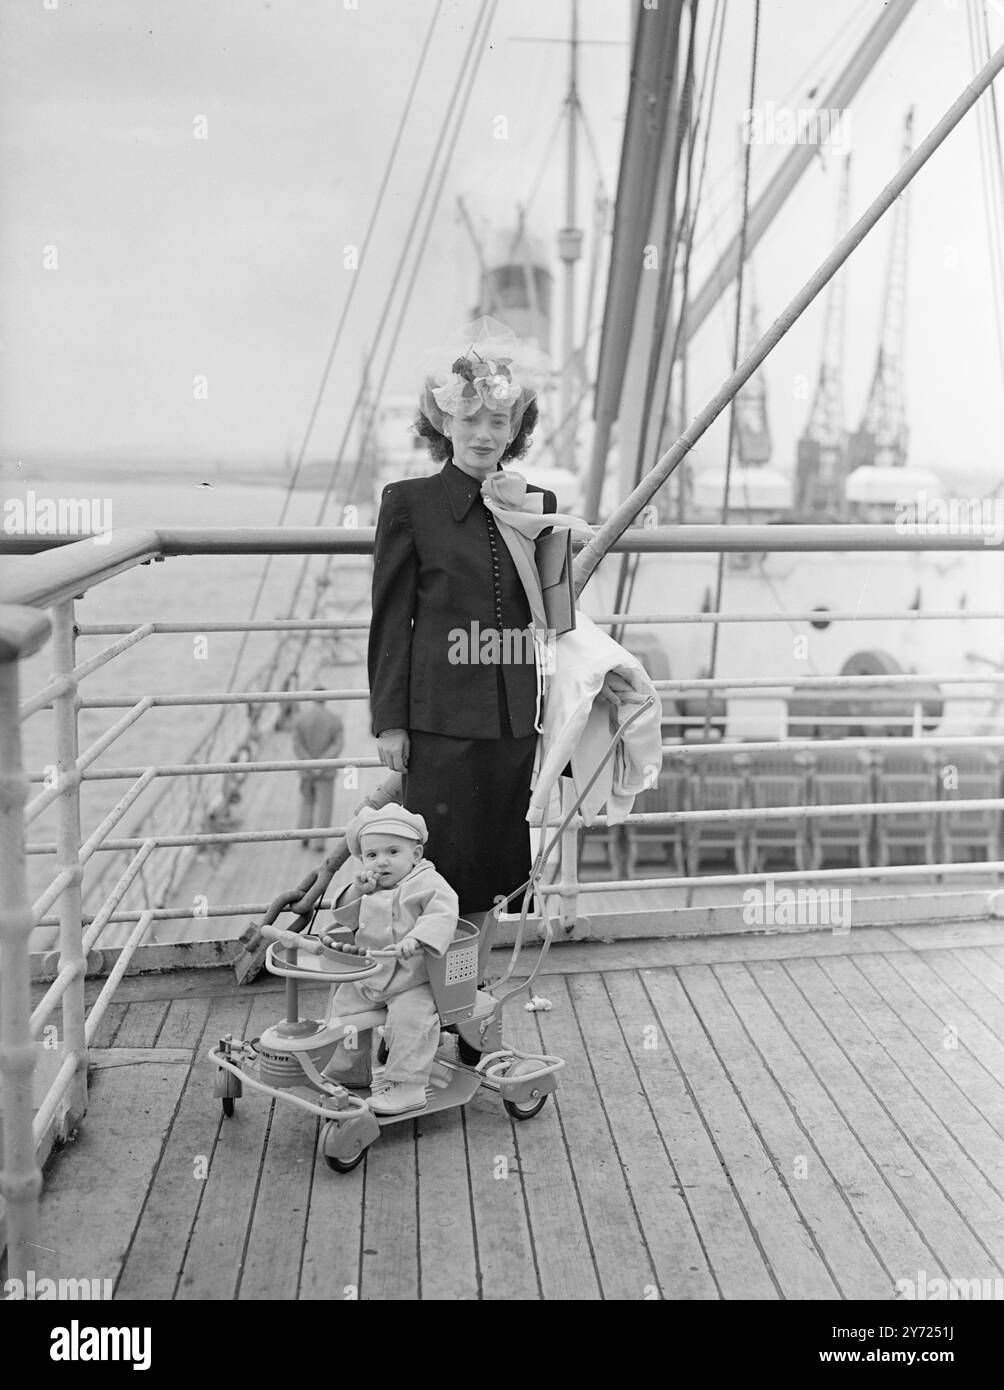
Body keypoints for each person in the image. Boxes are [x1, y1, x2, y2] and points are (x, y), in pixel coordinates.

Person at [367, 318, 560, 960]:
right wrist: (390, 723)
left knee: (493, 878)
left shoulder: (538, 501)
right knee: (435, 876)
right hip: (440, 725)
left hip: (511, 725)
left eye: (499, 423)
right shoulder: (409, 504)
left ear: (516, 431)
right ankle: (418, 1011)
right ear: (442, 423)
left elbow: (555, 612)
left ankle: (468, 1011)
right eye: (471, 419)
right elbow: (391, 621)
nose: (484, 435)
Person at [322, 803, 458, 1115]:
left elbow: (443, 913)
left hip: (415, 978)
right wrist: (357, 892)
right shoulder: (371, 885)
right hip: (372, 974)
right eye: (372, 855)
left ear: (416, 854)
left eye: (392, 852)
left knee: (412, 1019)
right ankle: (348, 1072)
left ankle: (407, 1086)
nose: (381, 862)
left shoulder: (428, 883)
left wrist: (417, 938)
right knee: (344, 1013)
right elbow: (346, 917)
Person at [291, 699, 344, 849]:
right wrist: (322, 762)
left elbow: (297, 744)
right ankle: (319, 842)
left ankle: (304, 835)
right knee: (325, 805)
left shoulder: (300, 718)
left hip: (306, 769)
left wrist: (309, 762)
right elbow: (338, 744)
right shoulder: (334, 718)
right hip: (326, 770)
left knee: (307, 801)